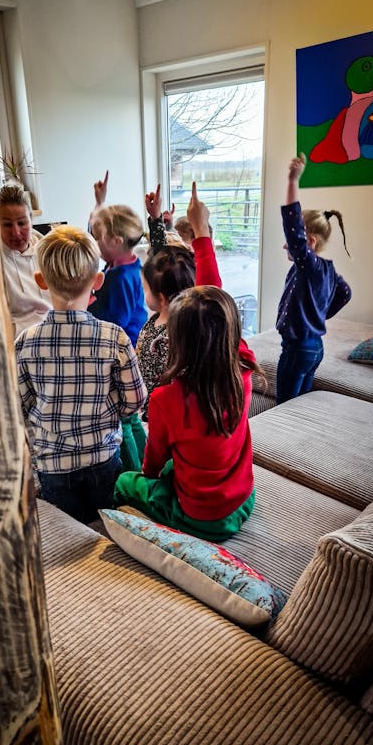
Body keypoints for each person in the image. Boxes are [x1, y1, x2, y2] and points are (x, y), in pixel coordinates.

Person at [114, 275, 262, 542]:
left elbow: (153, 464)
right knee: (179, 461)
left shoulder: (165, 399)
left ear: (179, 341)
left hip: (201, 518)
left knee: (125, 482)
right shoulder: (244, 371)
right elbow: (224, 324)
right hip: (243, 499)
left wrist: (147, 477)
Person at [15, 225, 147, 524]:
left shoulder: (25, 342)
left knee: (70, 527)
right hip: (103, 457)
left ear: (40, 281)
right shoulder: (115, 337)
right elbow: (135, 400)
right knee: (109, 523)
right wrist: (109, 406)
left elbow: (20, 406)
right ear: (98, 281)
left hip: (53, 465)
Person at [137, 182, 221, 420]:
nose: (144, 292)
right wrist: (156, 220)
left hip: (163, 414)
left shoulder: (179, 331)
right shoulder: (166, 315)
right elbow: (161, 263)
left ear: (161, 297)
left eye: (145, 288)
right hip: (151, 406)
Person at [276, 153, 352, 404]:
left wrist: (292, 181)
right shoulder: (328, 270)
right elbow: (345, 293)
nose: (286, 245)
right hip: (315, 348)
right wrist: (319, 313)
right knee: (300, 404)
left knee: (285, 407)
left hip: (298, 349)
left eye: (290, 243)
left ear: (309, 242)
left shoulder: (309, 266)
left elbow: (293, 228)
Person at [88, 171, 147, 348]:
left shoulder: (121, 278)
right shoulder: (123, 264)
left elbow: (117, 322)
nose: (93, 242)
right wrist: (100, 203)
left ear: (116, 242)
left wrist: (89, 302)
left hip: (125, 347)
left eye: (97, 238)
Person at [0, 183, 51, 336]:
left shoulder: (48, 251)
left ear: (31, 220)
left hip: (52, 330)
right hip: (15, 337)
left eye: (21, 223)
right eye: (7, 225)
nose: (16, 232)